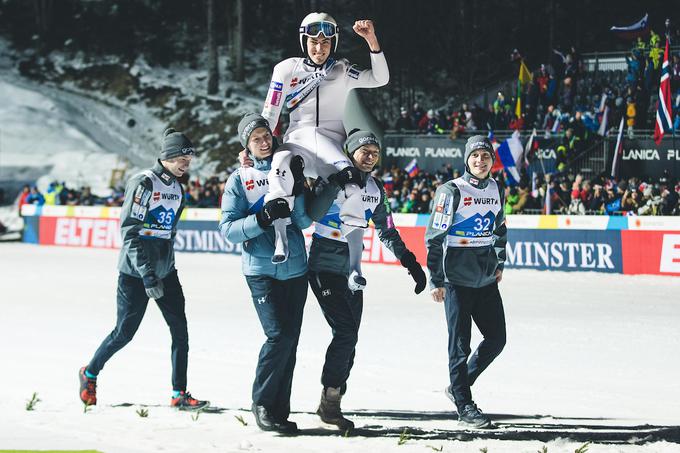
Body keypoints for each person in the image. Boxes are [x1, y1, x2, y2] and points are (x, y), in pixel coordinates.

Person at [305, 130, 427, 430]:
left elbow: (386, 229)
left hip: (351, 271)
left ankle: (333, 395)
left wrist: (411, 262)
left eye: (375, 151)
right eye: (364, 150)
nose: (370, 155)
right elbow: (311, 213)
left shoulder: (376, 189)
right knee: (345, 332)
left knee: (351, 338)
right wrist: (332, 184)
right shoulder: (330, 177)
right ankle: (330, 401)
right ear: (350, 153)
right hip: (323, 266)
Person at [79, 128, 208, 411]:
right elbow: (130, 232)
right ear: (168, 156)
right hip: (135, 274)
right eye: (183, 158)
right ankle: (89, 373)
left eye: (189, 158)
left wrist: (166, 267)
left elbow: (167, 233)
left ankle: (178, 393)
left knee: (180, 332)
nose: (187, 163)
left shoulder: (178, 188)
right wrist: (147, 273)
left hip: (165, 272)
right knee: (125, 333)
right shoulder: (144, 182)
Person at [260, 12, 389, 292]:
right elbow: (270, 113)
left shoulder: (342, 69)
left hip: (330, 144)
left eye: (326, 43)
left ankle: (355, 267)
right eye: (314, 42)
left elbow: (380, 78)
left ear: (334, 43)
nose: (319, 49)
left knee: (352, 187)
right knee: (279, 164)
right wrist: (255, 148)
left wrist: (371, 41)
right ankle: (280, 237)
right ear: (303, 41)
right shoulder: (285, 69)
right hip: (298, 141)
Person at [219, 113, 311, 434]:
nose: (263, 141)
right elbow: (228, 230)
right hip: (261, 270)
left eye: (266, 135)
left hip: (297, 268)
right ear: (247, 144)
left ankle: (280, 410)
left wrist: (298, 189)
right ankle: (261, 403)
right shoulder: (239, 180)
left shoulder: (285, 167)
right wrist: (261, 219)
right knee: (278, 336)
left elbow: (303, 223)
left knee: (291, 341)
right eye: (256, 137)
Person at [425, 135, 507, 429]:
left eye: (486, 156)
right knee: (459, 346)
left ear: (491, 161)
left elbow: (500, 227)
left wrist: (500, 262)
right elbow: (434, 237)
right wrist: (435, 279)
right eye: (475, 156)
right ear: (467, 159)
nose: (480, 161)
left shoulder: (498, 188)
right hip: (456, 279)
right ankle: (464, 405)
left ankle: (459, 386)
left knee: (497, 339)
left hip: (485, 279)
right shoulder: (451, 191)